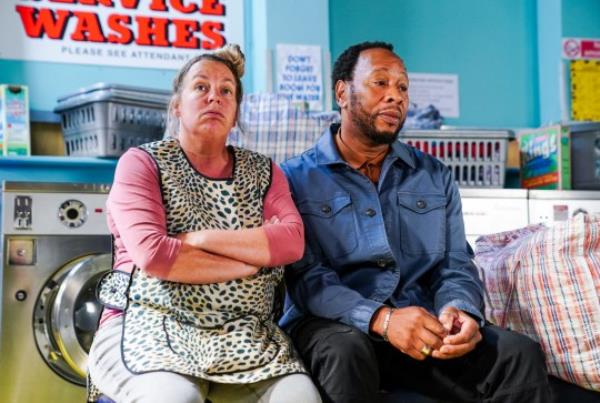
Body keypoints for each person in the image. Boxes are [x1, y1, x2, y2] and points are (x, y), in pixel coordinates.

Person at [280, 41, 551, 403]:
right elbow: (307, 280)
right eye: (380, 83)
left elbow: (455, 263)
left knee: (518, 355)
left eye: (403, 87)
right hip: (335, 326)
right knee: (347, 352)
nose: (395, 97)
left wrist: (460, 310)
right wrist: (383, 320)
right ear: (342, 93)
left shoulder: (433, 175)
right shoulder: (294, 178)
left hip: (422, 325)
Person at [87, 44, 321, 403]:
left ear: (236, 110)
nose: (215, 97)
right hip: (150, 323)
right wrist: (253, 260)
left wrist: (196, 238)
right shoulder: (142, 163)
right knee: (175, 398)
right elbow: (156, 255)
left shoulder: (264, 172)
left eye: (226, 90)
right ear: (177, 105)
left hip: (245, 331)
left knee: (300, 398)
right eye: (201, 87)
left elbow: (290, 243)